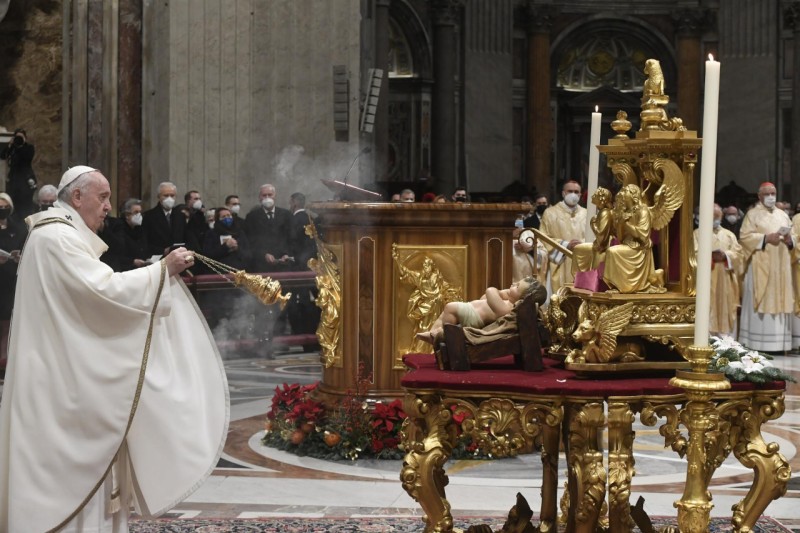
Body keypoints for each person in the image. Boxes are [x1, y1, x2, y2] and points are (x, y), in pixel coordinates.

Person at [0, 166, 229, 533]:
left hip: (62, 371)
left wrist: (158, 273)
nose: (109, 206)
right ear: (77, 197)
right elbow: (102, 292)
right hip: (58, 382)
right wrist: (161, 271)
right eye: (103, 197)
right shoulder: (56, 237)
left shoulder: (59, 234)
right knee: (68, 479)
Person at [738, 182, 795, 352]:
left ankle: (780, 344)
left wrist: (790, 240)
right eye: (767, 194)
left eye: (773, 193)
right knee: (761, 296)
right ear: (759, 196)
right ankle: (756, 343)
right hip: (760, 264)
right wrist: (765, 239)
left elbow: (793, 237)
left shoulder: (783, 215)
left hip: (781, 265)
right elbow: (744, 237)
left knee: (781, 296)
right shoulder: (752, 214)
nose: (771, 197)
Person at [415, 277, 537, 345]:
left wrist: (494, 291)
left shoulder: (508, 308)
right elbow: (495, 295)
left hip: (475, 318)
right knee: (443, 315)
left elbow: (490, 291)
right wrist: (501, 294)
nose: (513, 284)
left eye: (517, 286)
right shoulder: (509, 300)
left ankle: (444, 335)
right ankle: (433, 334)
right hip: (472, 311)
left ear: (523, 298)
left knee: (450, 307)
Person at [693, 204, 744, 337]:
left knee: (726, 306)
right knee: (707, 307)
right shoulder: (697, 233)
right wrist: (710, 256)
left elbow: (739, 255)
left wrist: (726, 255)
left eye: (717, 216)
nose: (715, 219)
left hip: (726, 278)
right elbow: (693, 254)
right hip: (707, 278)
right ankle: (707, 339)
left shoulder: (729, 235)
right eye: (712, 216)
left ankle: (727, 341)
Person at [539, 180, 586, 295]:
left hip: (581, 262)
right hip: (559, 263)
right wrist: (566, 245)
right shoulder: (550, 213)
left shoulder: (587, 213)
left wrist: (582, 244)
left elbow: (594, 237)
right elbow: (543, 238)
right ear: (563, 193)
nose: (573, 194)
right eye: (570, 191)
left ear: (580, 194)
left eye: (576, 192)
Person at [0, 193, 26, 373]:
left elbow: (23, 247)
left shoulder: (17, 227)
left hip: (10, 280)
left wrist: (18, 256)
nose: (2, 210)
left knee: (7, 321)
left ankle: (4, 360)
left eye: (5, 207)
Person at [245, 183, 293, 272]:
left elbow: (291, 237)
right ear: (259, 197)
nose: (267, 198)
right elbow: (250, 240)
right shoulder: (252, 217)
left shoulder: (286, 215)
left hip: (283, 264)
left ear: (275, 196)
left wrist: (286, 254)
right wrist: (264, 254)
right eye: (264, 195)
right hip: (261, 265)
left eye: (270, 195)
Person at [142, 181, 195, 256]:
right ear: (159, 197)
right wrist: (163, 251)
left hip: (178, 257)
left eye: (172, 195)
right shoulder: (149, 216)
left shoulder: (180, 216)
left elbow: (187, 238)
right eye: (166, 195)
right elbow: (144, 243)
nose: (169, 198)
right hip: (158, 257)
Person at [0, 128, 36, 217]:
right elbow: (2, 156)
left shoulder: (29, 148)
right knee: (12, 202)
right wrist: (10, 145)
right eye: (17, 137)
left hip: (25, 180)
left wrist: (21, 145)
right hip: (13, 179)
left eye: (21, 137)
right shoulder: (12, 147)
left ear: (25, 138)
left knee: (25, 205)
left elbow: (27, 158)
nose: (19, 139)